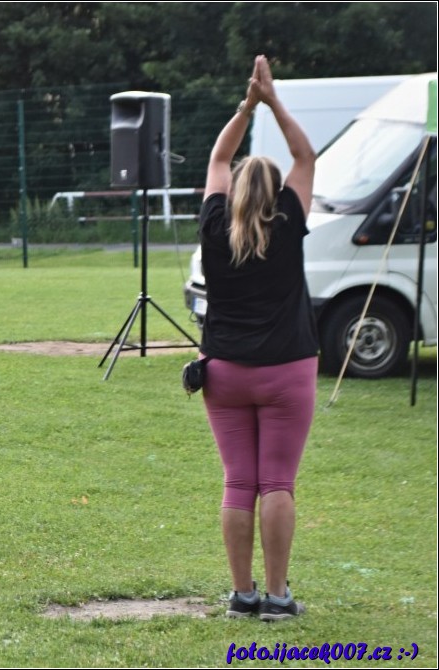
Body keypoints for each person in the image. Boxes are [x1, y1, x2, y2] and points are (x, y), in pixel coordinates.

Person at [198, 55, 318, 620]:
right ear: (275, 195)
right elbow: (305, 155)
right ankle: (276, 596)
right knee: (277, 483)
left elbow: (221, 155)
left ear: (238, 190)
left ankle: (242, 594)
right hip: (287, 369)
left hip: (223, 371)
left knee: (237, 481)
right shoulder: (289, 220)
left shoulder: (215, 222)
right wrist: (273, 101)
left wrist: (246, 106)